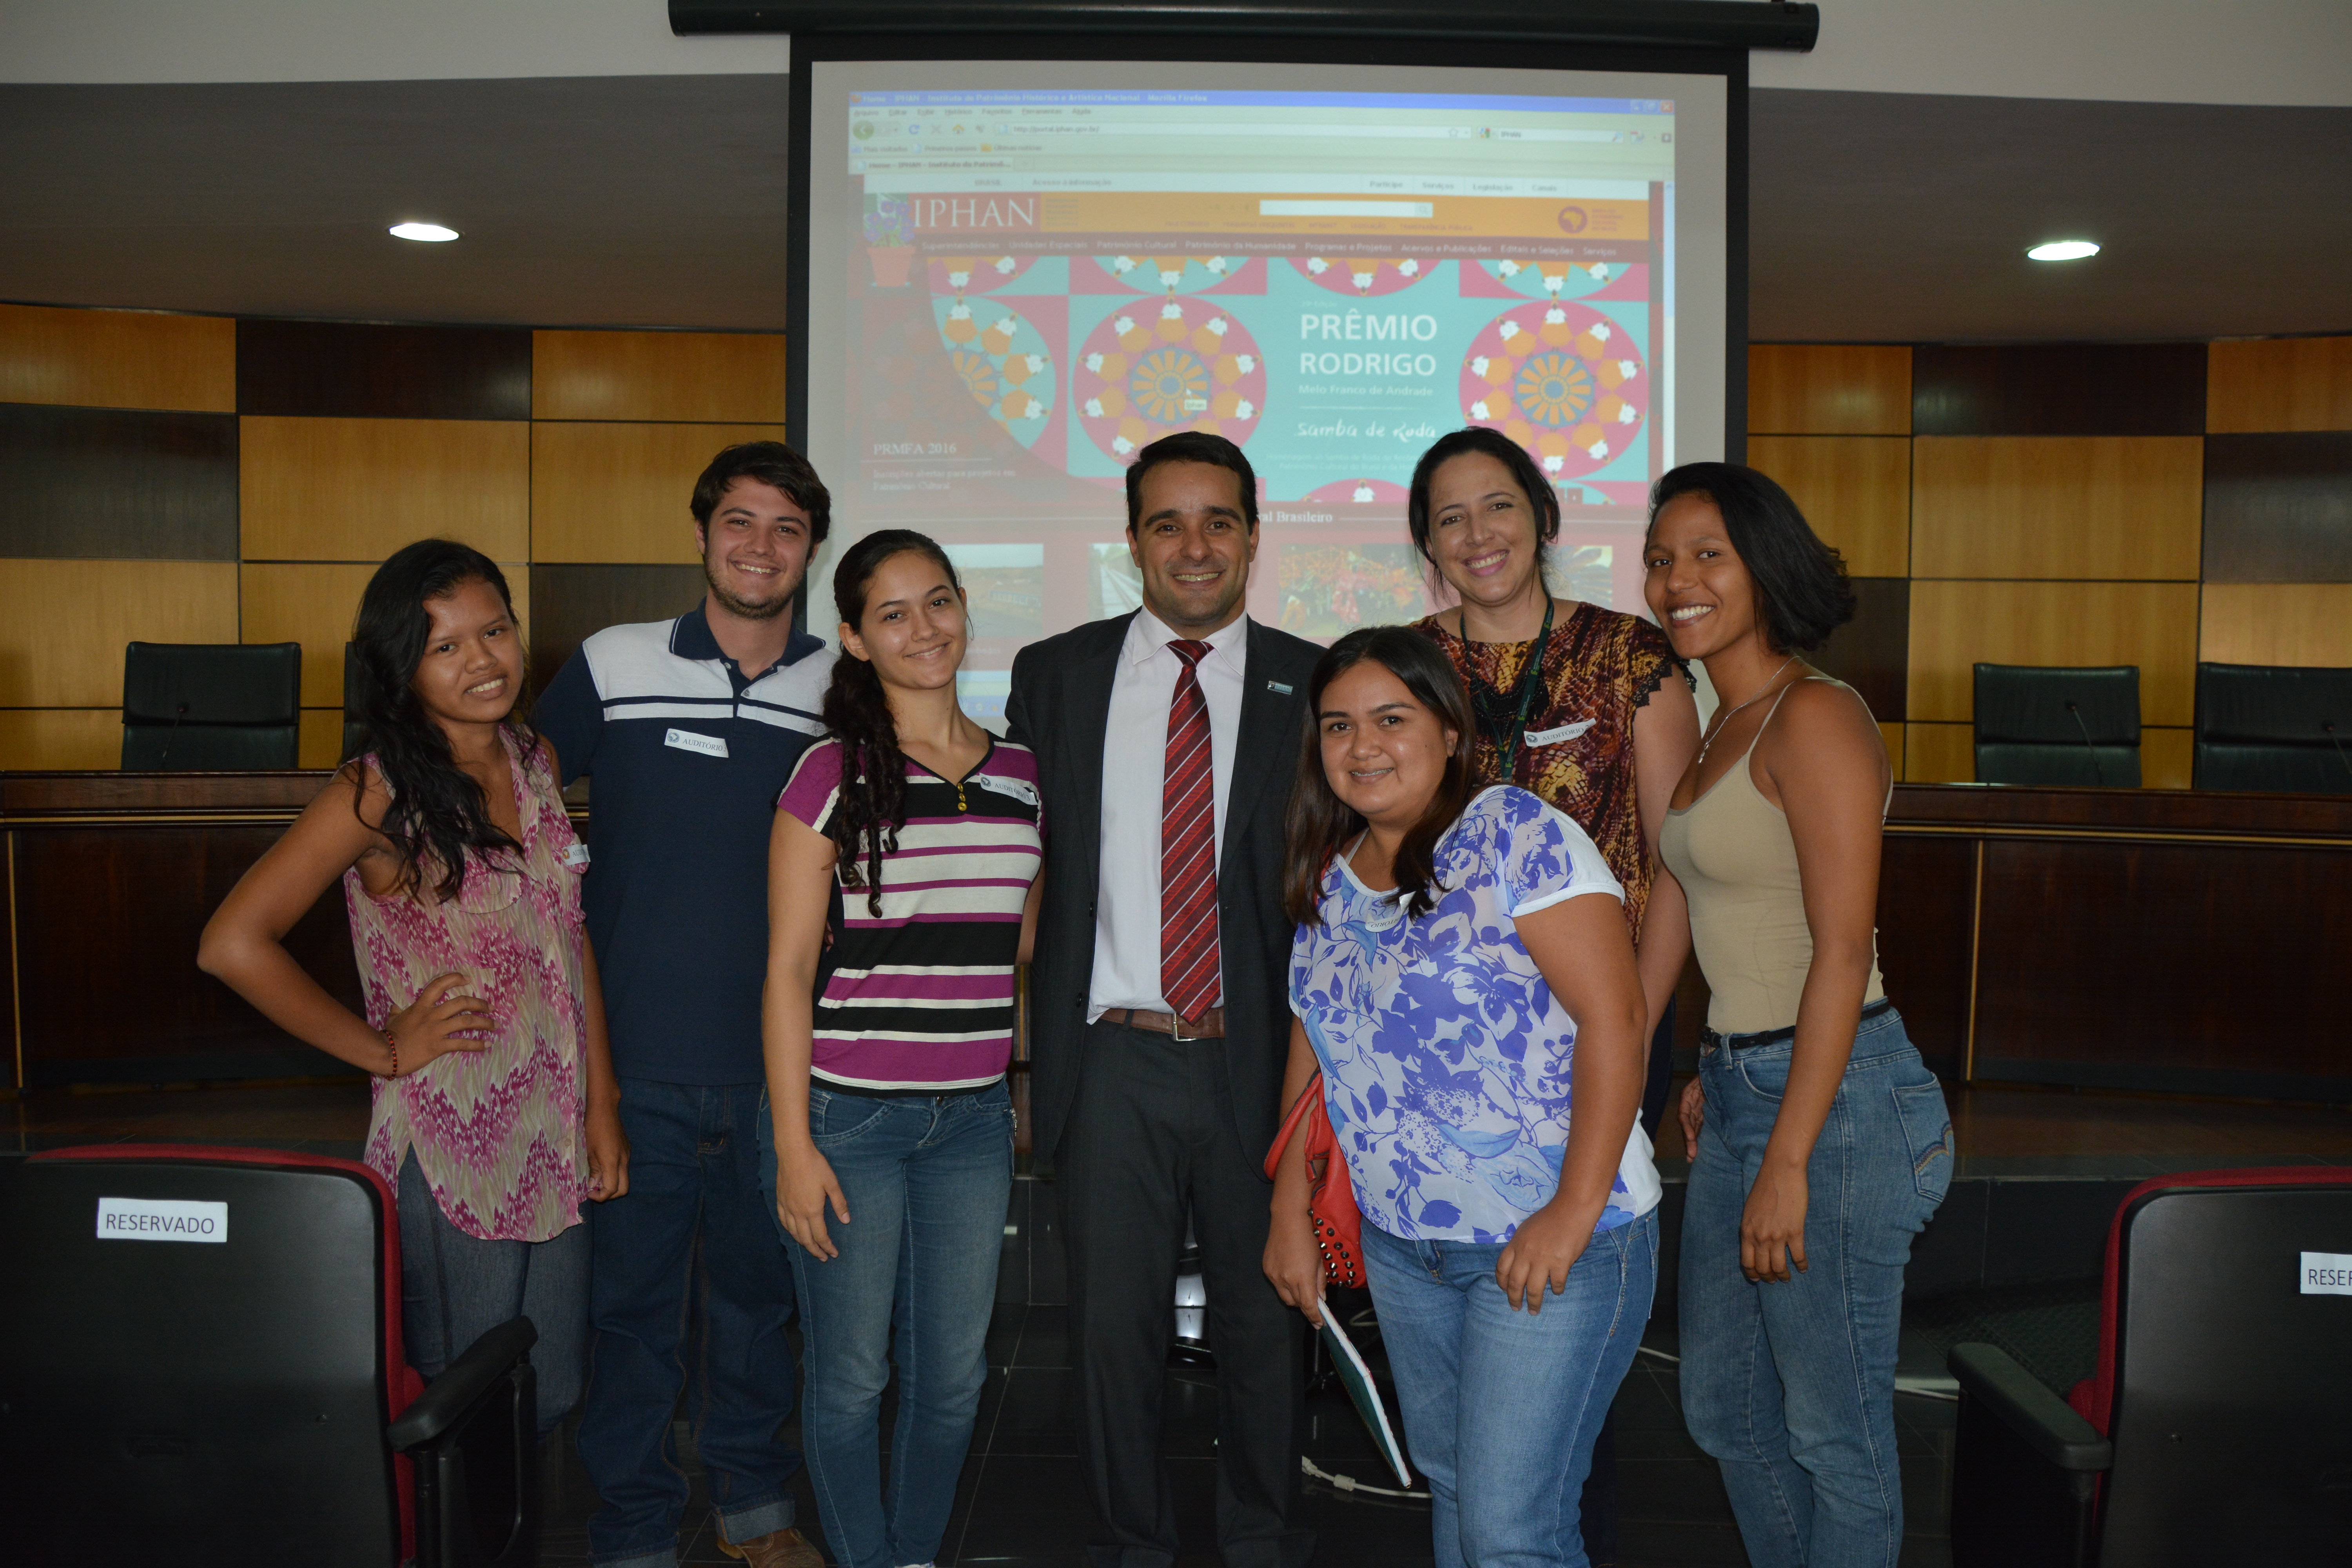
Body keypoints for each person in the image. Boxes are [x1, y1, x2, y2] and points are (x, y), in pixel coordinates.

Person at [198, 538, 627, 1439]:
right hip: (452, 1136)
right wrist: (384, 1047)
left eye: (496, 630)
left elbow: (567, 928)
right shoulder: (376, 790)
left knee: (549, 1388)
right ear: (403, 667)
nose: (484, 659)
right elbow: (233, 943)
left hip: (552, 1129)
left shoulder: (536, 757)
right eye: (447, 645)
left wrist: (602, 1101)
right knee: (465, 1400)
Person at [1264, 626, 1658, 1568]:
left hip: (1554, 1241)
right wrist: (1286, 1204)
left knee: (1512, 1530)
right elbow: (1319, 1048)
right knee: (1457, 1492)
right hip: (1408, 1250)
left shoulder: (1516, 833)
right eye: (1338, 725)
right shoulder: (1332, 873)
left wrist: (1570, 1207)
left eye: (1391, 718)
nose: (1363, 745)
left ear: (1448, 728)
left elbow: (1619, 1020)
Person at [1006, 430, 1320, 1568]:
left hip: (1260, 1058)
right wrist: (1024, 1066)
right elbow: (1029, 867)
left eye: (1219, 521)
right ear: (1132, 538)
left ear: (1252, 531)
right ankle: (1127, 1544)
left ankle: (1264, 1540)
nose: (1195, 547)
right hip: (1114, 1056)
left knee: (1266, 1325)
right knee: (1109, 1334)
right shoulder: (1056, 672)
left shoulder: (1313, 677)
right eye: (1167, 523)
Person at [1644, 464, 1954, 1568]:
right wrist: (1714, 1063)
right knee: (1724, 1412)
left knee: (1836, 1435)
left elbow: (1841, 949)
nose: (1676, 578)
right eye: (1662, 556)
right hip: (1746, 1088)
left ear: (1766, 568)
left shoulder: (1815, 716)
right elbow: (1726, 925)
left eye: (1707, 554)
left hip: (1838, 1111)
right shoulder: (1725, 720)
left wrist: (1789, 1154)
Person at [536, 442, 835, 1568]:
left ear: (813, 548)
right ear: (702, 533)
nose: (761, 548)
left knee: (761, 1310)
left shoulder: (839, 689)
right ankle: (632, 1527)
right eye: (740, 524)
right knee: (630, 1318)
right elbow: (508, 799)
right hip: (631, 1064)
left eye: (787, 529)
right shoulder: (614, 663)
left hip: (780, 1070)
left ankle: (756, 1513)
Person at [1406, 426, 1701, 1563]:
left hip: (1603, 1026)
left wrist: (1626, 1025)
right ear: (1428, 544)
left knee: (1568, 1308)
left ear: (1542, 516)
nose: (1478, 536)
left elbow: (1675, 860)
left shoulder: (1631, 660)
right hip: (1451, 1054)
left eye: (1498, 508)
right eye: (1450, 518)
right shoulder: (1409, 665)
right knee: (1474, 1330)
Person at [759, 531, 1043, 1568]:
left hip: (969, 1120)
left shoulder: (1020, 772)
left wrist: (1011, 1081)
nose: (923, 629)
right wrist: (794, 1146)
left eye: (938, 602)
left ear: (965, 609)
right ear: (854, 638)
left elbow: (1014, 949)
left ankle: (914, 1555)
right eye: (893, 613)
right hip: (850, 1117)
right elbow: (789, 970)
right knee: (850, 1379)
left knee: (955, 1378)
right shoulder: (830, 771)